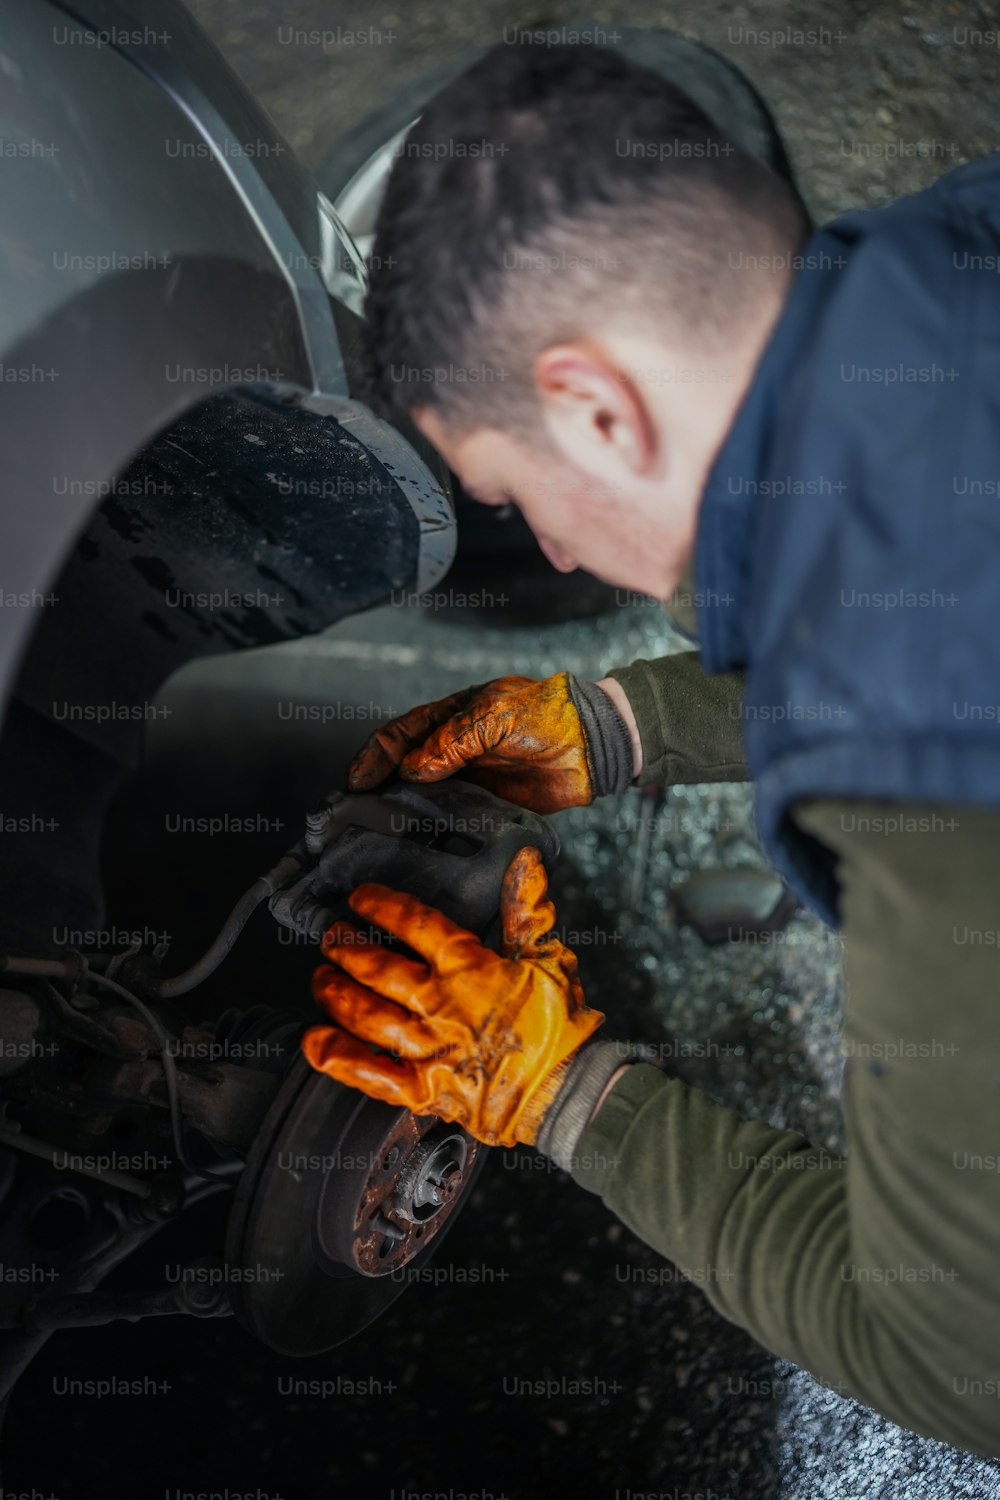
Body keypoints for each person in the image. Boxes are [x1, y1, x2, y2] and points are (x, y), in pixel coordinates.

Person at [302, 41, 1000, 1455]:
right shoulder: (951, 247)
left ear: (598, 408)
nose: (551, 551)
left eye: (516, 495)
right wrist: (624, 728)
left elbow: (959, 1366)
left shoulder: (915, 773)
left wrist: (559, 1091)